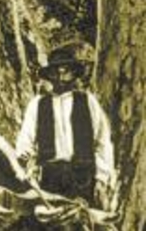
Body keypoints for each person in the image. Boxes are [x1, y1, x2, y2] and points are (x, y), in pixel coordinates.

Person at [16, 42, 116, 209]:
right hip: (49, 178)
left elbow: (103, 142)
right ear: (50, 75)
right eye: (57, 70)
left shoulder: (87, 101)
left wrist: (101, 179)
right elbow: (25, 141)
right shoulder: (38, 104)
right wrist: (28, 163)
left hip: (83, 177)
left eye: (66, 69)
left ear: (74, 73)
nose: (61, 74)